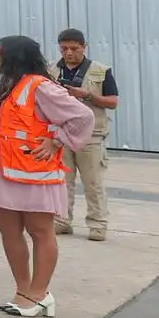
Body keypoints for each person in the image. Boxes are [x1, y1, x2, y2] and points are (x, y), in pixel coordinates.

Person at [0, 34, 95, 318]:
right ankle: (22, 290)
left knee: (39, 231)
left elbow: (82, 116)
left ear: (13, 57)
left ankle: (40, 293)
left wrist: (57, 140)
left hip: (32, 171)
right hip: (4, 170)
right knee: (8, 231)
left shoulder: (40, 86)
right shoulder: (5, 87)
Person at [50, 28, 118, 241]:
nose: (69, 53)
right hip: (62, 133)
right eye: (64, 49)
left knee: (93, 182)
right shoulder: (51, 70)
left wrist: (88, 95)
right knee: (62, 180)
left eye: (74, 49)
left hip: (92, 134)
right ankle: (61, 220)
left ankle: (98, 224)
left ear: (84, 47)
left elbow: (113, 101)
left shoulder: (101, 71)